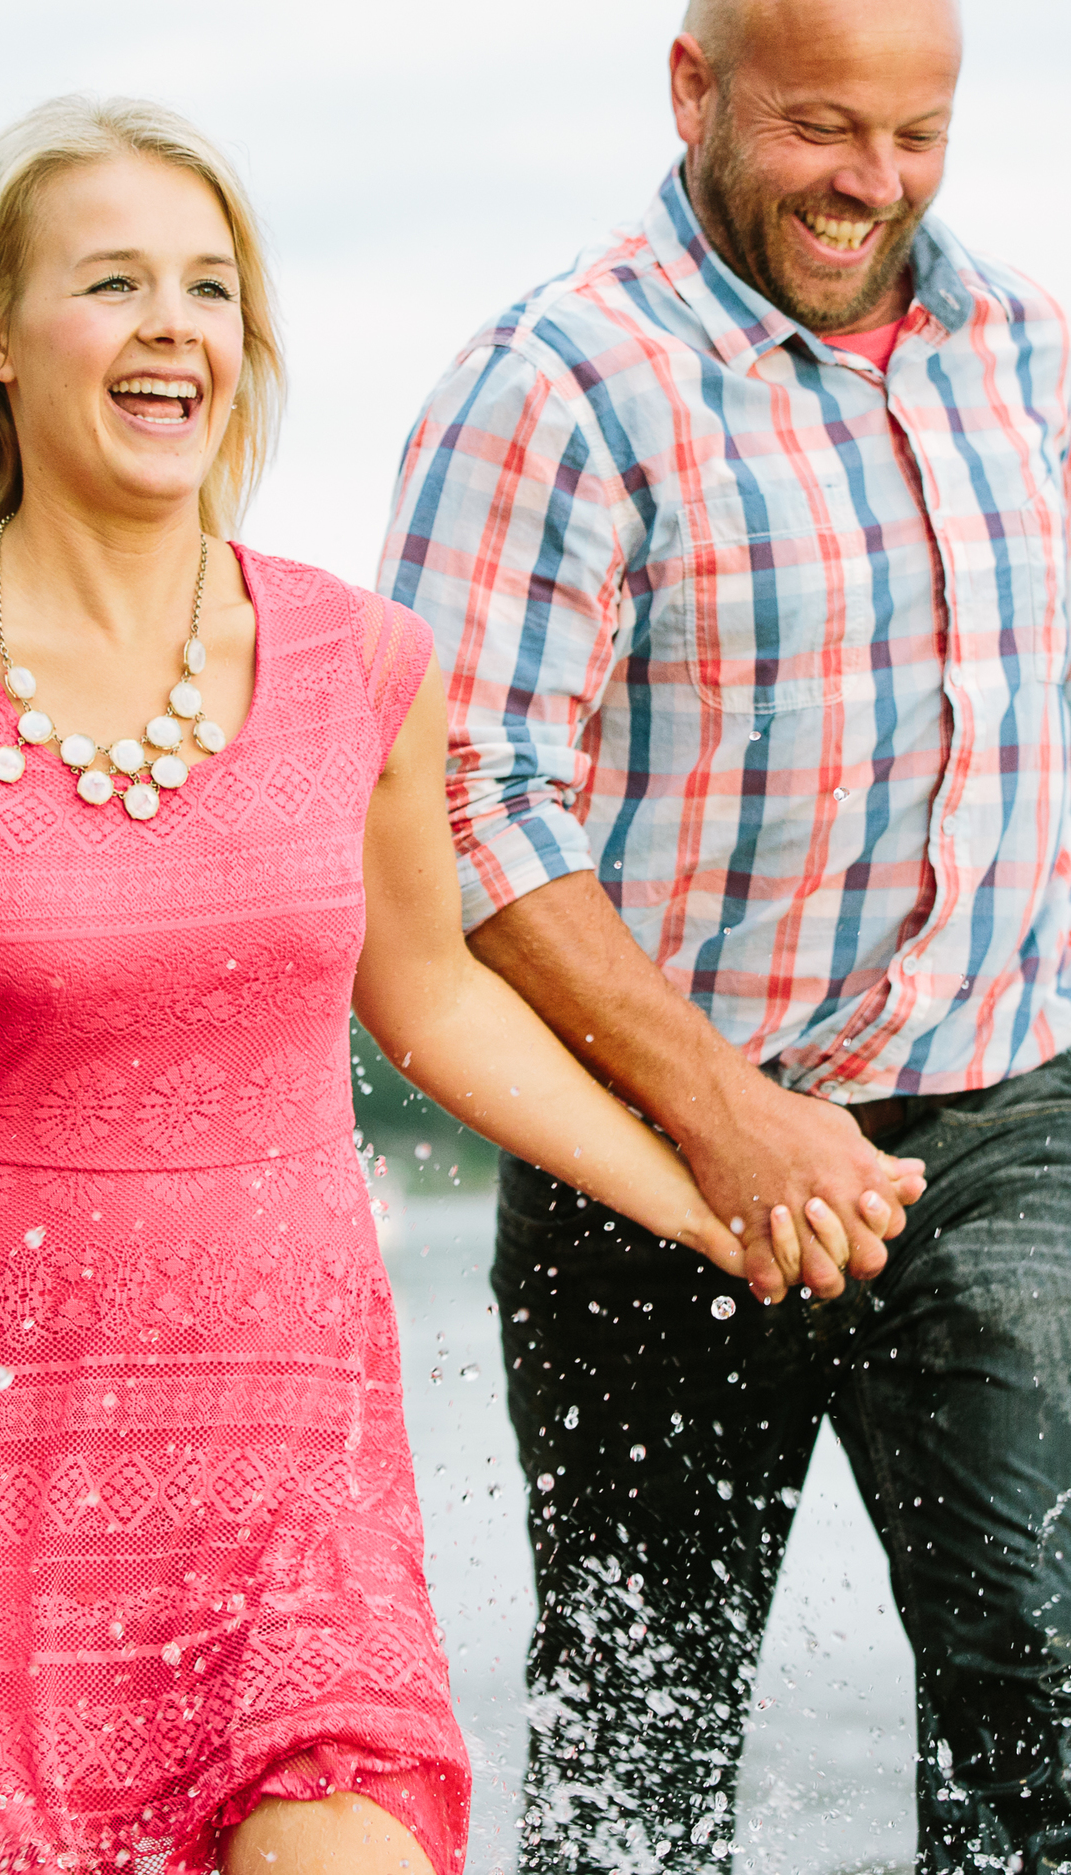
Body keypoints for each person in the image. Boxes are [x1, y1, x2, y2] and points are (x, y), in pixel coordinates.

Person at [0, 95, 853, 1875]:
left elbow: (434, 999)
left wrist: (715, 1202)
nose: (175, 327)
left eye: (210, 290)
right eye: (116, 282)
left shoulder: (360, 659)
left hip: (288, 1447)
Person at [374, 0, 1064, 1864]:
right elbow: (459, 796)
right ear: (697, 89)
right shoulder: (557, 380)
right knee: (633, 1752)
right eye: (824, 126)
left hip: (1001, 1130)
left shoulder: (1034, 353)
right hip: (648, 1148)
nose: (874, 183)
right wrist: (724, 1108)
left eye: (918, 136)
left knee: (1048, 1692)